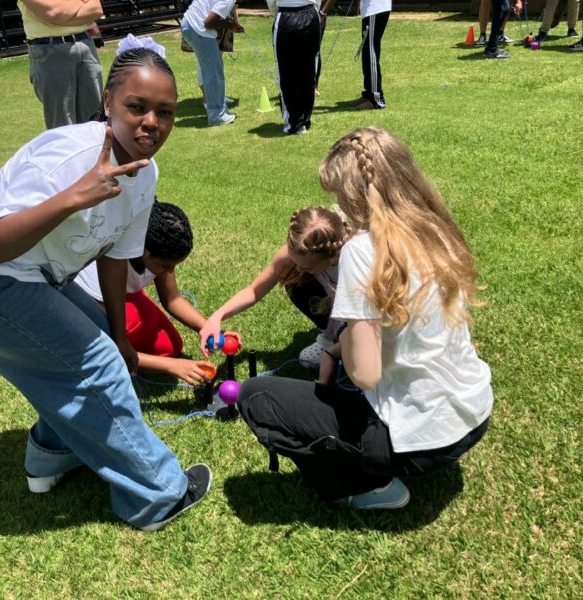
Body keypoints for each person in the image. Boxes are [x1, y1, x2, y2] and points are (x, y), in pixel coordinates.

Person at [0, 44, 211, 532]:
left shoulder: (144, 172)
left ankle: (52, 457)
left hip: (26, 272)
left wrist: (120, 335)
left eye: (165, 113)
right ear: (109, 101)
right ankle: (159, 496)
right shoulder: (68, 158)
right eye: (137, 106)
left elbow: (115, 257)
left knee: (97, 351)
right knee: (96, 368)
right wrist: (75, 196)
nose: (151, 122)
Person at [238, 127, 493, 511]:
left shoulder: (362, 249)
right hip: (472, 417)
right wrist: (336, 347)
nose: (339, 205)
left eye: (339, 195)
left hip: (420, 442)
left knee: (256, 395)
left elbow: (366, 374)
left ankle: (368, 486)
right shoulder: (435, 230)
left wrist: (343, 350)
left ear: (358, 193)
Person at [75, 201, 214, 385]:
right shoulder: (108, 267)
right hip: (96, 305)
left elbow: (173, 298)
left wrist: (205, 327)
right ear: (144, 252)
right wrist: (170, 366)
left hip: (126, 296)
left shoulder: (156, 252)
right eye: (165, 265)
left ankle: (137, 312)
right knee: (128, 330)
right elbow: (109, 344)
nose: (169, 270)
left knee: (171, 346)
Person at [198, 206, 351, 368]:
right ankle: (329, 336)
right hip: (334, 300)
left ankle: (343, 337)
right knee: (293, 277)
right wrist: (217, 316)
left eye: (307, 268)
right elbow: (254, 291)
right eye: (296, 261)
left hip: (364, 315)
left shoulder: (355, 262)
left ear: (332, 257)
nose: (299, 269)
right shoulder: (302, 249)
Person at [18, 0, 104, 129]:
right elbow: (54, 13)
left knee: (95, 120)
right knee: (62, 125)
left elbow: (96, 8)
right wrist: (79, 7)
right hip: (50, 50)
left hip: (86, 45)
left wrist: (62, 12)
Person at [271, 0, 335, 134]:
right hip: (310, 14)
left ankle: (295, 122)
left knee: (286, 71)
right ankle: (305, 118)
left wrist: (275, 13)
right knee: (309, 70)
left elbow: (271, 2)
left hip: (286, 14)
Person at [180, 0, 243, 126]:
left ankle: (221, 110)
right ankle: (216, 116)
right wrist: (229, 24)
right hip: (197, 29)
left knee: (215, 69)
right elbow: (209, 23)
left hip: (190, 25)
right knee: (213, 73)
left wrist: (229, 23)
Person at [353, 0, 391, 110]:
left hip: (375, 9)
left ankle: (376, 98)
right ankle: (369, 94)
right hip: (372, 10)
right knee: (367, 53)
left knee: (371, 53)